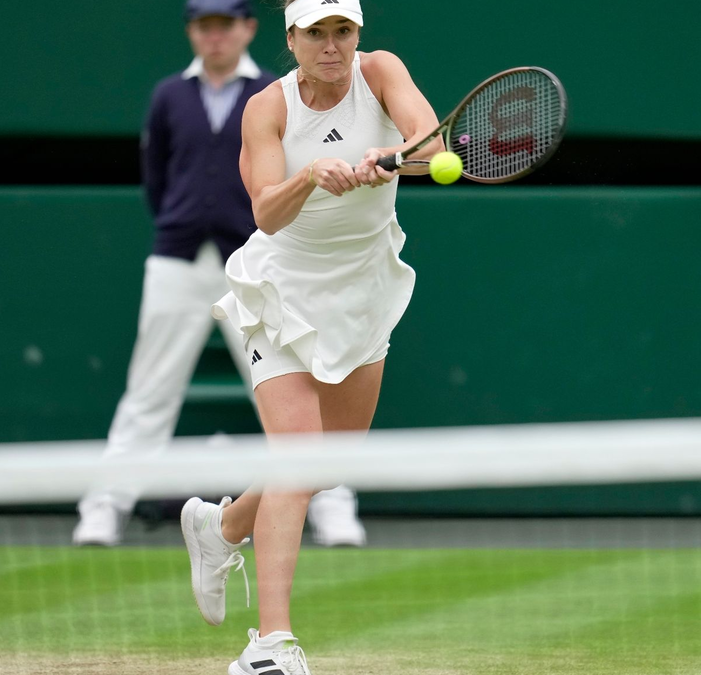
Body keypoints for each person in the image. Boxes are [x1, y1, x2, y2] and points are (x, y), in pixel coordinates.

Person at [178, 0, 445, 672]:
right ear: (291, 39)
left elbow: (432, 147)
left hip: (364, 288)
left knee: (325, 466)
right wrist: (311, 175)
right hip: (282, 293)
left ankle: (223, 526)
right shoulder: (267, 108)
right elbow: (266, 212)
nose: (332, 46)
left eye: (343, 32)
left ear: (358, 34)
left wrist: (392, 157)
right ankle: (270, 645)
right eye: (317, 34)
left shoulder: (381, 71)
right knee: (296, 458)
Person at [73, 0, 368, 549]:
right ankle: (104, 509)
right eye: (204, 26)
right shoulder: (169, 96)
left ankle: (333, 512)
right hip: (179, 261)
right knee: (148, 390)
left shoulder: (276, 94)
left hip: (258, 264)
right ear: (192, 32)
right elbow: (156, 180)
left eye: (225, 25)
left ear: (249, 29)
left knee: (300, 390)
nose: (215, 37)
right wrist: (183, 225)